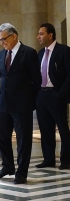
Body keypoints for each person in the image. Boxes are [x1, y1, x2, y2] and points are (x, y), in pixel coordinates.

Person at [0, 23, 41, 184]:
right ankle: (7, 166)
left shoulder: (29, 53)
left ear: (14, 36)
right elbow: (4, 78)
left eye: (4, 39)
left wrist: (29, 101)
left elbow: (37, 81)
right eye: (0, 40)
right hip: (3, 104)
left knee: (23, 140)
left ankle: (21, 172)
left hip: (22, 105)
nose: (2, 43)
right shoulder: (0, 54)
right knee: (1, 137)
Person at [35, 23, 70, 170]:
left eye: (41, 34)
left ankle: (66, 160)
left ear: (50, 35)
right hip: (42, 95)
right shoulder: (40, 53)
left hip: (56, 95)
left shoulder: (64, 51)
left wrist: (61, 94)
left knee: (62, 128)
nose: (38, 37)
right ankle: (48, 159)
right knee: (45, 129)